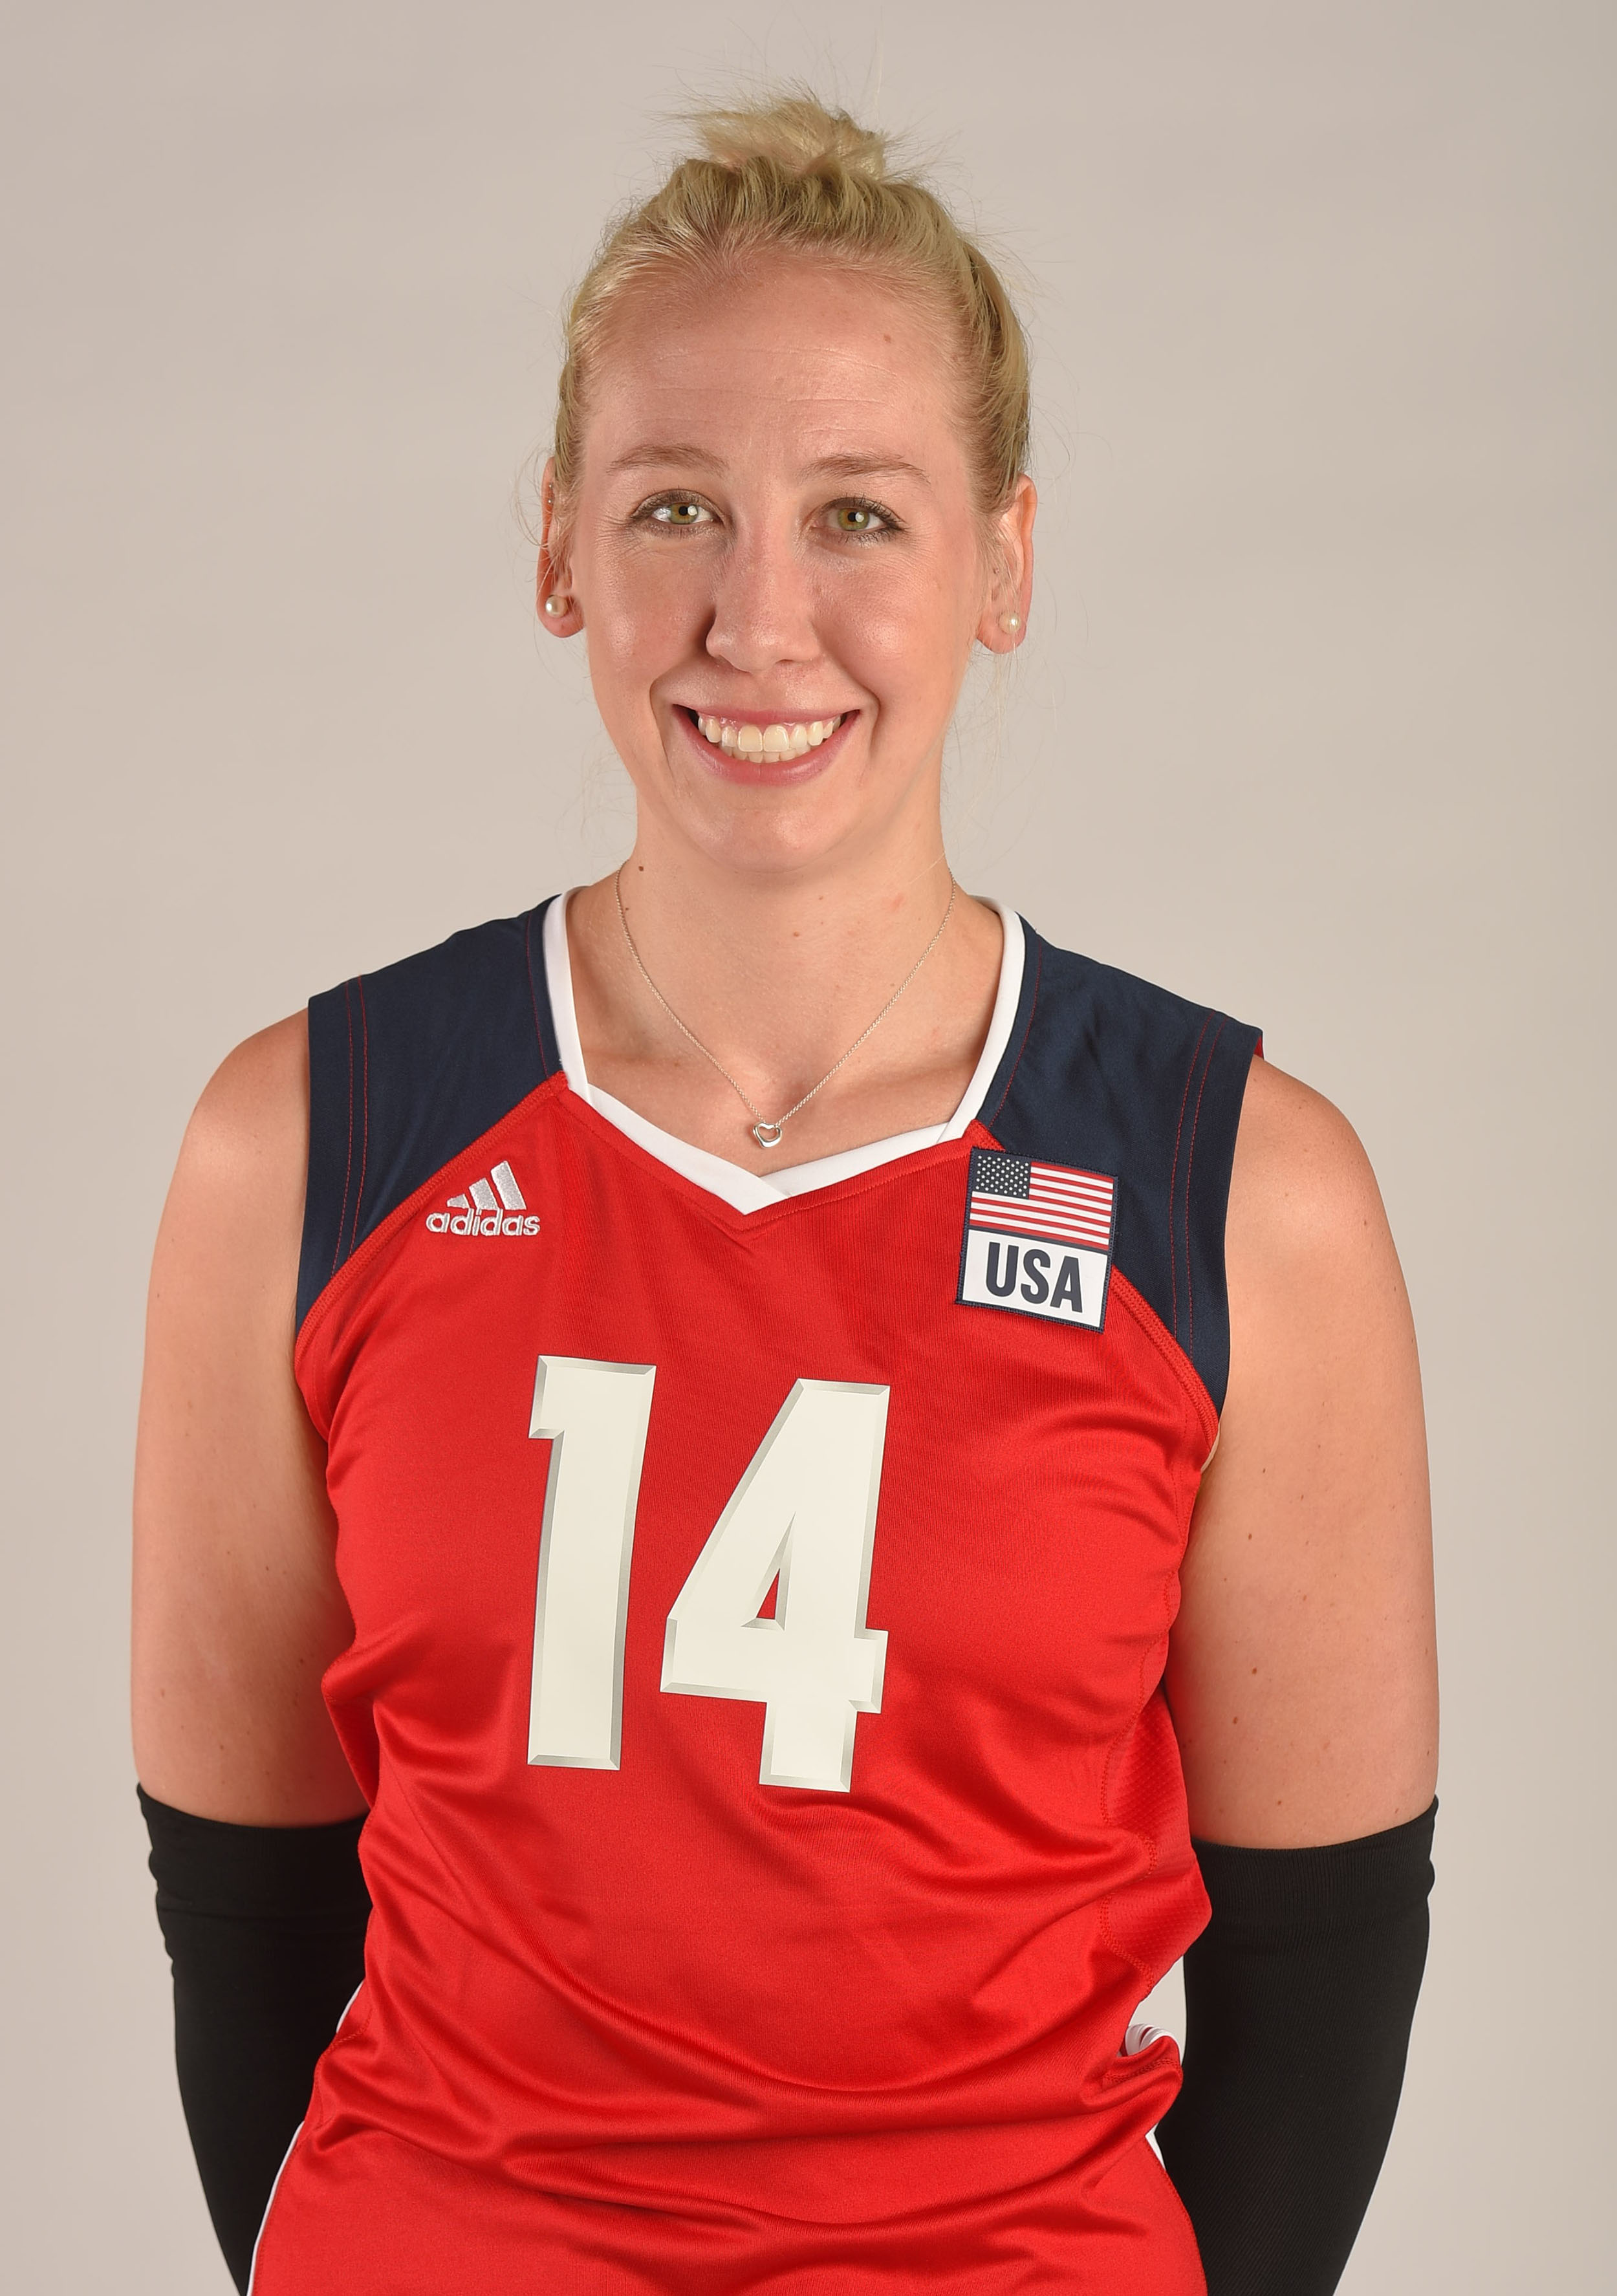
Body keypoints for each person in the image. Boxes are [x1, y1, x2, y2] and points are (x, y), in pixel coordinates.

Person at [132, 92, 1437, 2296]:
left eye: (856, 515)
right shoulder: (309, 1144)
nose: (758, 616)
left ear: (1002, 564)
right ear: (557, 548)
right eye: (674, 507)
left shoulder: (1234, 1192)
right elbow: (247, 1911)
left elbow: (1315, 1982)